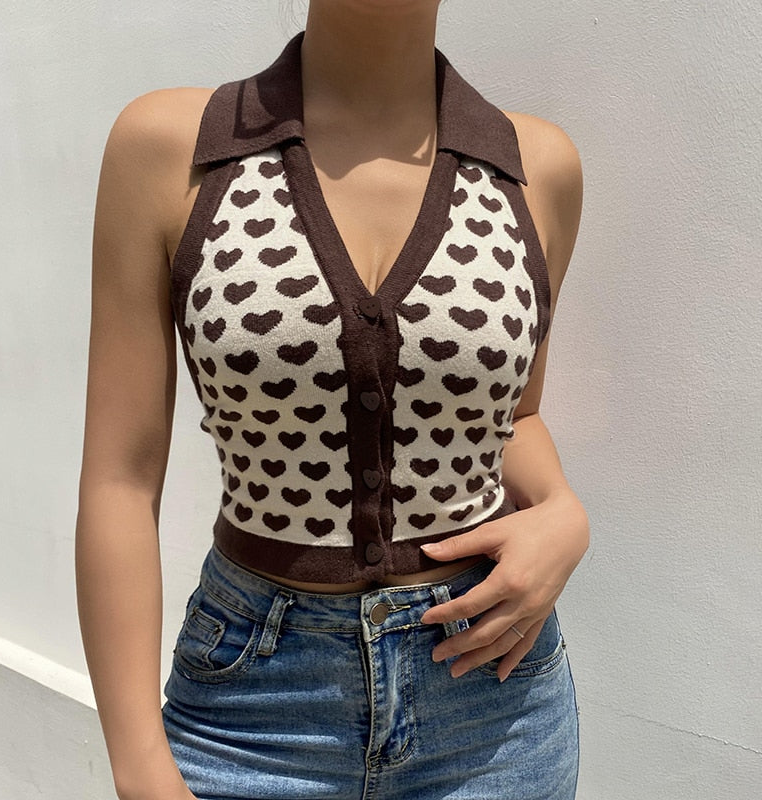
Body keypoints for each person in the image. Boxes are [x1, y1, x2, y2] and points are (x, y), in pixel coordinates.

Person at [75, 2, 589, 798]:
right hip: (250, 711)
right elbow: (120, 480)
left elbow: (510, 418)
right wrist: (139, 763)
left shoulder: (532, 167)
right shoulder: (177, 151)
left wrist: (561, 511)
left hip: (493, 703)